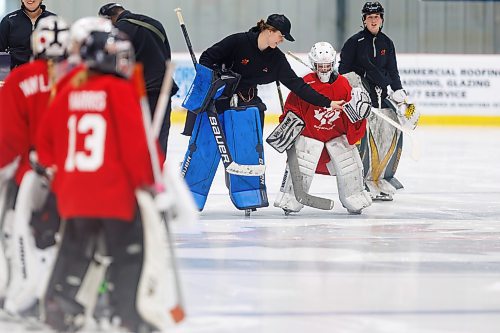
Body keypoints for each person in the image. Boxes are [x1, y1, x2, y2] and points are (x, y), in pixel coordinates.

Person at [36, 28, 172, 332]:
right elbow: (137, 147)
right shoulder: (118, 91)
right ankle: (127, 313)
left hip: (72, 195)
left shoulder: (70, 89)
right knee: (128, 253)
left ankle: (60, 304)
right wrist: (151, 182)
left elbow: (45, 143)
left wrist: (59, 173)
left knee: (74, 249)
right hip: (114, 195)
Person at [180, 14, 345, 213]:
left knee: (248, 152)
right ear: (269, 31)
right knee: (203, 151)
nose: (281, 40)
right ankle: (187, 198)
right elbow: (207, 58)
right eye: (281, 36)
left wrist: (327, 102)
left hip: (245, 106)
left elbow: (296, 85)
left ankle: (249, 195)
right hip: (215, 106)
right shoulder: (238, 42)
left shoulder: (276, 59)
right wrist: (218, 76)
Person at [274, 41, 372, 214]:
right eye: (321, 66)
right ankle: (290, 197)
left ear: (333, 64)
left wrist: (358, 114)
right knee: (301, 161)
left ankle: (354, 196)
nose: (324, 69)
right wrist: (288, 124)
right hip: (310, 136)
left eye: (327, 65)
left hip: (336, 136)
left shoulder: (343, 85)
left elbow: (353, 115)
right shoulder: (305, 84)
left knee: (350, 163)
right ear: (314, 64)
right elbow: (292, 107)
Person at [338, 1, 408, 201]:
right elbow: (342, 70)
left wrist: (398, 89)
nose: (373, 20)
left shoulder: (387, 43)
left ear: (382, 19)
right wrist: (355, 86)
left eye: (377, 16)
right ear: (364, 20)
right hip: (361, 98)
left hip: (382, 97)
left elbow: (392, 70)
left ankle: (381, 178)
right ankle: (362, 180)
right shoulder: (354, 42)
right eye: (370, 17)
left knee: (387, 138)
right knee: (366, 139)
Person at [98, 2, 178, 153]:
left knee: (133, 142)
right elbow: (167, 56)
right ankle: (156, 174)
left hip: (137, 93)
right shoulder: (155, 24)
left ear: (109, 19)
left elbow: (113, 66)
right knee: (159, 141)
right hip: (163, 89)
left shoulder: (117, 31)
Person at [0, 0, 55, 69]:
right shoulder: (9, 21)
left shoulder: (54, 21)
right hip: (17, 74)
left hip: (45, 73)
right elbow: (0, 52)